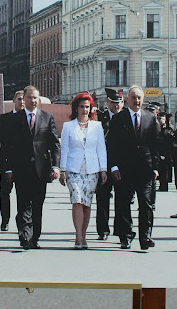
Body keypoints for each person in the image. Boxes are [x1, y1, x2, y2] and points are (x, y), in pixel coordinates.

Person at [1, 85, 60, 250]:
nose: (32, 100)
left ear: (38, 99)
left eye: (35, 97)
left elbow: (54, 144)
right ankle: (25, 236)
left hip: (41, 170)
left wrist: (56, 166)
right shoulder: (14, 119)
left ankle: (35, 237)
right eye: (29, 97)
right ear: (24, 99)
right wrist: (8, 169)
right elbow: (7, 146)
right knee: (23, 204)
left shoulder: (47, 117)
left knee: (37, 205)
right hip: (21, 169)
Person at [107, 85, 159, 250]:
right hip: (124, 168)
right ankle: (126, 236)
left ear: (143, 100)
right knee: (123, 203)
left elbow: (155, 145)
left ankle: (145, 237)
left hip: (145, 169)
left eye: (139, 98)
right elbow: (112, 145)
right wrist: (113, 167)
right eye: (133, 98)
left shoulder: (150, 118)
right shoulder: (118, 119)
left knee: (146, 204)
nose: (136, 101)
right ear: (127, 100)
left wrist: (156, 167)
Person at [59, 92, 107, 249]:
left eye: (87, 107)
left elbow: (101, 149)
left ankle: (84, 235)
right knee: (77, 200)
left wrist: (103, 169)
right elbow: (64, 149)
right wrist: (62, 170)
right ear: (76, 108)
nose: (85, 110)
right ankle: (78, 236)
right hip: (73, 169)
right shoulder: (68, 126)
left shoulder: (97, 126)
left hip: (92, 169)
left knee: (87, 203)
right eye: (82, 107)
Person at [0, 91, 24, 231]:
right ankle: (5, 220)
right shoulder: (3, 119)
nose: (22, 102)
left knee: (23, 195)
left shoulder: (30, 118)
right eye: (19, 99)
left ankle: (22, 221)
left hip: (24, 164)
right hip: (6, 163)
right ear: (14, 100)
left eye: (24, 99)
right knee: (4, 194)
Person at [95, 87, 123, 240]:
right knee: (102, 198)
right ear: (108, 102)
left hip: (121, 164)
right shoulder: (100, 118)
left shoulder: (126, 117)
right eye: (113, 102)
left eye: (119, 102)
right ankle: (103, 229)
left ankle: (120, 229)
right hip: (103, 164)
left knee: (122, 198)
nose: (116, 105)